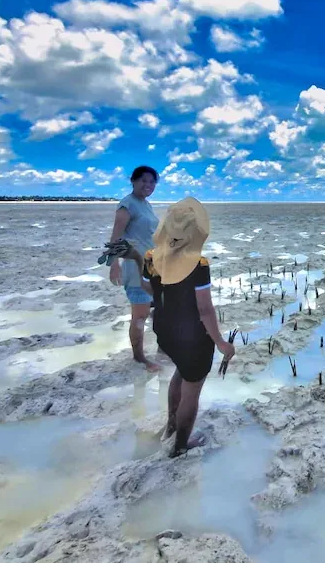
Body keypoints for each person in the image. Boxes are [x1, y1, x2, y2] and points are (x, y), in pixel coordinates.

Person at [119, 197, 235, 458]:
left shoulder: (152, 256)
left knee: (181, 374)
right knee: (192, 389)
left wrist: (137, 259)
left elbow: (149, 289)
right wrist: (221, 343)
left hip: (164, 330)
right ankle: (180, 445)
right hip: (193, 337)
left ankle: (171, 424)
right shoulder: (198, 263)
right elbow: (205, 310)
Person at [109, 166, 160, 372]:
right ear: (133, 181)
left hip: (153, 266)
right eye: (143, 181)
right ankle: (139, 358)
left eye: (152, 182)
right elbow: (115, 238)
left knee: (159, 311)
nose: (148, 185)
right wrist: (114, 265)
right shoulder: (127, 205)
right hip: (134, 267)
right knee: (140, 315)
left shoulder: (146, 204)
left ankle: (163, 350)